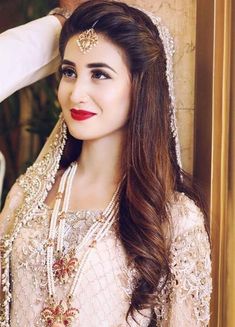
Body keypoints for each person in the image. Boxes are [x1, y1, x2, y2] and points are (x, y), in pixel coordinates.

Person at [0, 1, 212, 326]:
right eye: (69, 72)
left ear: (140, 87)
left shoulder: (174, 218)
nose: (76, 93)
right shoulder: (25, 197)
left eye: (99, 74)